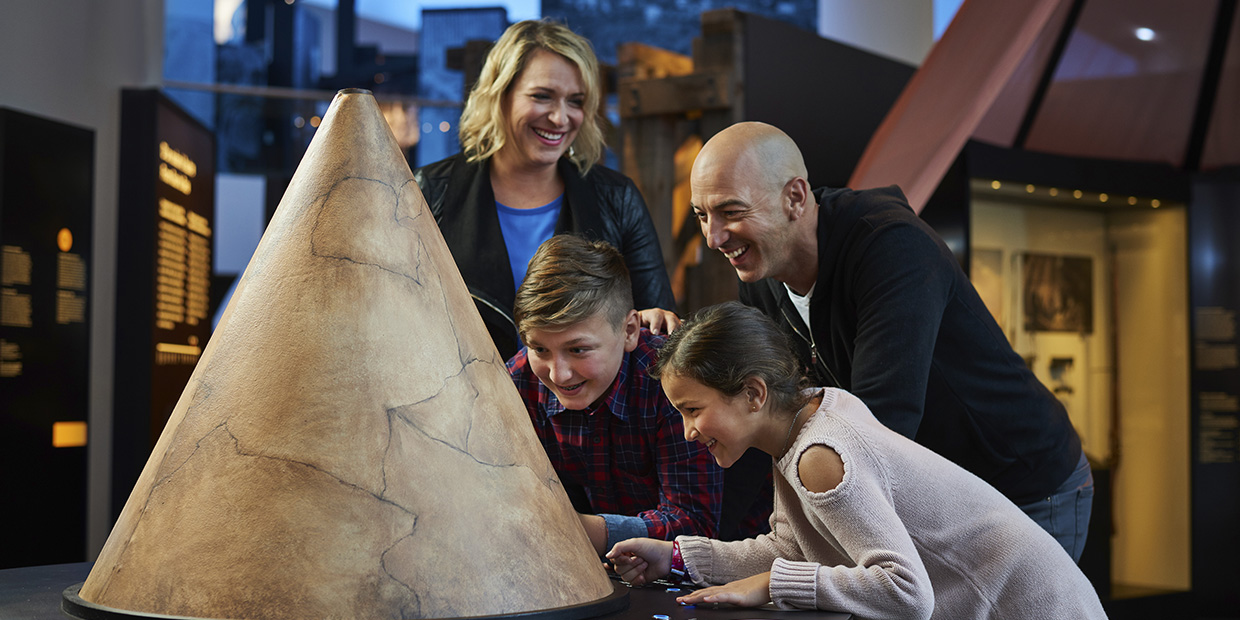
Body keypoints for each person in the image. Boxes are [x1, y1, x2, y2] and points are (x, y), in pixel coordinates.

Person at [687, 121, 1093, 561]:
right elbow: (764, 415)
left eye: (731, 211)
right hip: (938, 499)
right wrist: (703, 550)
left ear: (795, 198)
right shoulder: (762, 274)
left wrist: (785, 571)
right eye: (702, 215)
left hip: (1021, 486)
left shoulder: (892, 247)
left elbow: (880, 425)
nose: (713, 237)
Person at [608, 302, 1108, 619]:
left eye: (693, 410)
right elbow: (791, 547)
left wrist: (772, 585)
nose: (689, 431)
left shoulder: (821, 455)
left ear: (754, 393)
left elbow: (906, 592)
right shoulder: (803, 421)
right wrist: (677, 556)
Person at [413, 19, 677, 360]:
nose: (559, 117)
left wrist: (654, 322)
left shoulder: (618, 197)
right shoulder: (430, 190)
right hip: (463, 403)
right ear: (501, 94)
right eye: (542, 96)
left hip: (584, 410)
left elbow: (657, 328)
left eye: (576, 101)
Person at [506, 234, 721, 554]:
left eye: (578, 349)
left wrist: (576, 528)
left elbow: (696, 524)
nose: (557, 373)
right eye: (539, 348)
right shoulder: (518, 383)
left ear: (630, 331)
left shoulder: (674, 381)